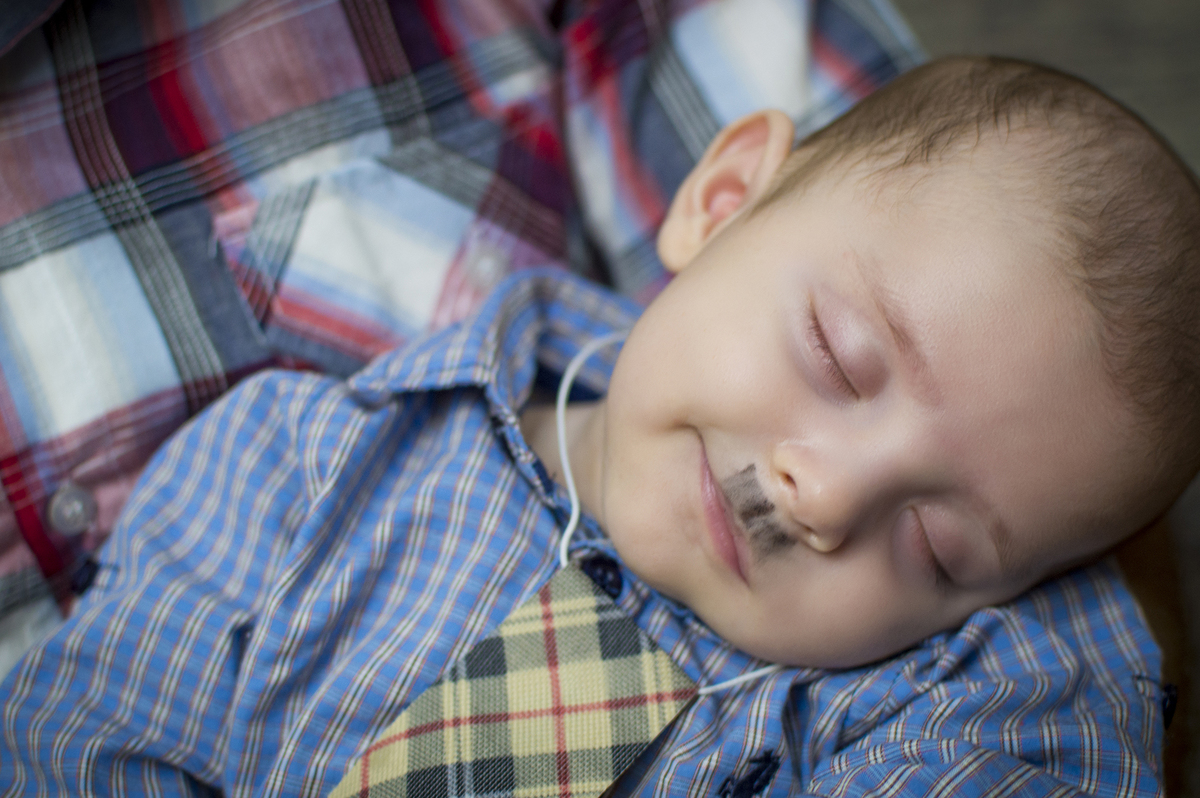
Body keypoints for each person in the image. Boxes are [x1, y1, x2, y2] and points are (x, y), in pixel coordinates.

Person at [3, 55, 1195, 796]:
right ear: (722, 203)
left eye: (938, 549)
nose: (826, 496)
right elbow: (90, 732)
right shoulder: (307, 462)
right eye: (839, 356)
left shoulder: (942, 692)